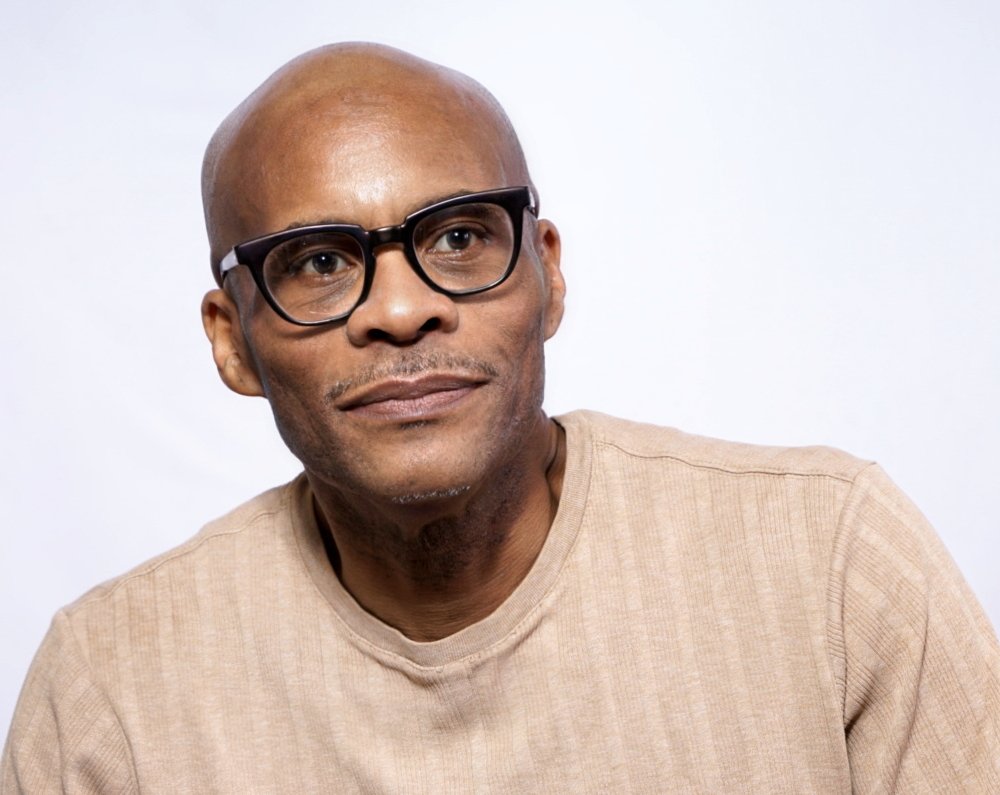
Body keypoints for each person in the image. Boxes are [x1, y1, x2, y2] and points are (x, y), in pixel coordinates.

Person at [3, 42, 998, 793]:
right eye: (319, 262)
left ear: (546, 275)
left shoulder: (826, 562)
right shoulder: (113, 689)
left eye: (459, 237)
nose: (401, 311)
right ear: (233, 341)